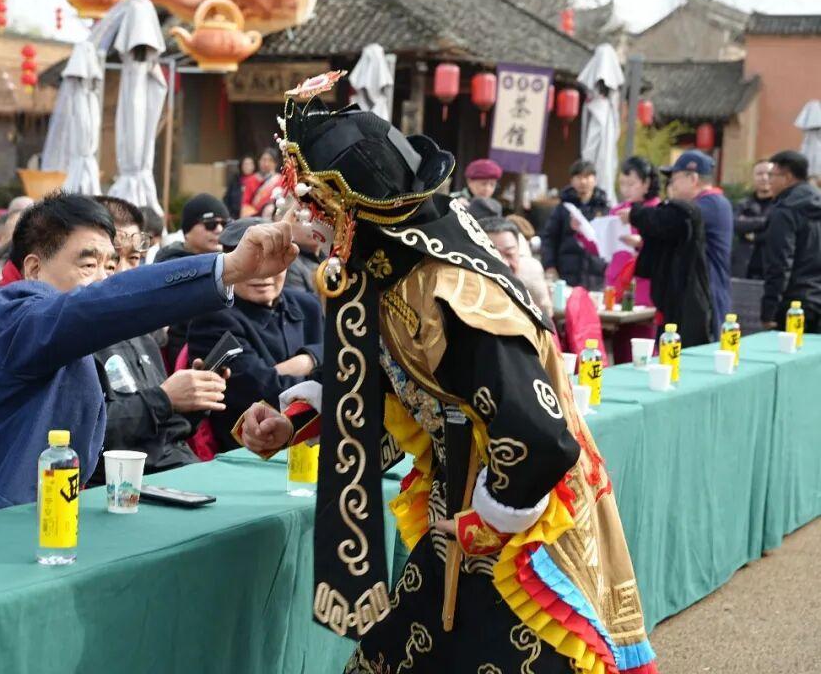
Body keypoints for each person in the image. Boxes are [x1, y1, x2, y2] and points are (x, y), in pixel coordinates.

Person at [235, 79, 656, 673]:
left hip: (518, 521)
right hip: (454, 513)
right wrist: (298, 417)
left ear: (356, 212)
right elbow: (385, 381)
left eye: (317, 204)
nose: (305, 219)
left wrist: (488, 521)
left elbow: (539, 438)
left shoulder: (452, 293)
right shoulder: (387, 270)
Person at [0, 193, 296, 540]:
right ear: (34, 268)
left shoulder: (80, 336)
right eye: (88, 263)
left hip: (7, 535)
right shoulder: (6, 314)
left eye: (109, 265)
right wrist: (226, 268)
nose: (104, 278)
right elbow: (90, 308)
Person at [90, 197, 219, 475]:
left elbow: (169, 430)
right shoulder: (74, 339)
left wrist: (194, 398)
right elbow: (88, 435)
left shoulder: (143, 331)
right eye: (113, 259)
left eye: (133, 258)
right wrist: (165, 398)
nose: (123, 271)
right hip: (126, 482)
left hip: (178, 468)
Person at [187, 218, 323, 453]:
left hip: (314, 443)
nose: (263, 275)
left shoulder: (307, 306)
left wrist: (309, 358)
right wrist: (319, 375)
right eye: (252, 264)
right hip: (248, 449)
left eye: (272, 262)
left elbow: (342, 362)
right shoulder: (212, 319)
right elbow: (266, 394)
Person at [623, 173, 713, 347]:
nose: (672, 186)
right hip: (670, 293)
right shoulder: (675, 213)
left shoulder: (689, 211)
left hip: (688, 292)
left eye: (675, 180)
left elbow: (662, 221)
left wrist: (635, 215)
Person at [660, 150, 732, 339]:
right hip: (696, 294)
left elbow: (671, 221)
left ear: (693, 178)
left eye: (674, 179)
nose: (671, 185)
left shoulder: (711, 204)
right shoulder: (707, 203)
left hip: (708, 295)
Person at [156, 194, 230, 364]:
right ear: (187, 231)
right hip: (185, 352)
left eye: (224, 224)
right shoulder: (169, 266)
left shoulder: (227, 262)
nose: (219, 229)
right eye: (210, 224)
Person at [606, 157, 661, 361]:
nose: (626, 189)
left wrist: (640, 243)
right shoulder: (617, 211)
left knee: (643, 342)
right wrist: (583, 233)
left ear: (646, 183)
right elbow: (603, 246)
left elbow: (663, 247)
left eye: (631, 184)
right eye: (622, 184)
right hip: (617, 282)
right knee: (621, 341)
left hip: (644, 284)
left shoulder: (657, 211)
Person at [760, 150, 821, 332]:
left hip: (794, 305)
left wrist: (769, 310)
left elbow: (779, 263)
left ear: (787, 177)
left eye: (772, 175)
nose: (768, 181)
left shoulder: (785, 210)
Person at [540, 159, 610, 290]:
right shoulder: (563, 208)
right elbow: (549, 238)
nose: (583, 181)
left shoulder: (605, 209)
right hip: (567, 273)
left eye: (587, 177)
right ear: (572, 181)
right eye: (578, 177)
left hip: (596, 275)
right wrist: (549, 266)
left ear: (595, 180)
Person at [479, 216, 554, 323]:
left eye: (509, 254)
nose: (504, 263)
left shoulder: (531, 276)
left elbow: (546, 318)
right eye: (494, 256)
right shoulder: (468, 292)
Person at [732, 160, 776, 279]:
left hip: (771, 269)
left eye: (769, 174)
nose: (764, 178)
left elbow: (776, 230)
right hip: (743, 268)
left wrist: (754, 235)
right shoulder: (743, 204)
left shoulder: (782, 205)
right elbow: (735, 224)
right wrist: (765, 221)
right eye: (759, 174)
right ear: (753, 177)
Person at [241, 148, 283, 217]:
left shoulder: (279, 179)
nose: (266, 164)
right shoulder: (251, 180)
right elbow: (245, 203)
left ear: (275, 163)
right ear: (259, 161)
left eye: (270, 160)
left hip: (274, 214)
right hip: (255, 216)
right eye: (264, 160)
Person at [224, 155, 256, 219]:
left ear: (254, 166)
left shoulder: (257, 180)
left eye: (250, 164)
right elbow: (227, 198)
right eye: (245, 164)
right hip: (233, 215)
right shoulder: (235, 180)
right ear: (241, 166)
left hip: (251, 216)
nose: (247, 167)